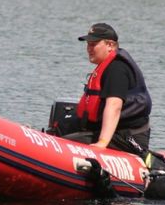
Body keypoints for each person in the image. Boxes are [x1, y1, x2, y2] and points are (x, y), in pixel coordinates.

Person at [64, 23, 152, 154]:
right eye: (88, 44)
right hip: (108, 131)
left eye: (93, 44)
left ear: (110, 45)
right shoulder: (106, 66)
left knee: (65, 142)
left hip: (126, 137)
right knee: (62, 123)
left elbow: (114, 106)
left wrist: (102, 143)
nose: (89, 48)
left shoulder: (117, 69)